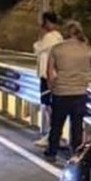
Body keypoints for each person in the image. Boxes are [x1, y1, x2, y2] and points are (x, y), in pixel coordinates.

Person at [44, 19, 91, 164]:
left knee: (56, 125)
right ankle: (75, 153)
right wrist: (88, 45)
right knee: (77, 126)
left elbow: (49, 72)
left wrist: (52, 88)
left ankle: (52, 152)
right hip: (79, 93)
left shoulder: (57, 49)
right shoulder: (85, 49)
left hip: (61, 92)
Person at [32, 10, 63, 147]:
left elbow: (37, 48)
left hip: (48, 76)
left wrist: (40, 34)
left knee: (48, 106)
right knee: (48, 106)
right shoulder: (57, 36)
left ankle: (51, 135)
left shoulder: (50, 37)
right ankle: (52, 134)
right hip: (50, 75)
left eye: (43, 22)